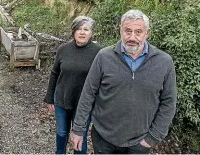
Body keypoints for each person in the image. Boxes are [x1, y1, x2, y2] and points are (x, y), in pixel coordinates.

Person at [70, 9, 177, 154]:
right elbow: (88, 94)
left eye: (138, 32)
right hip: (103, 139)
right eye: (128, 31)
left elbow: (169, 102)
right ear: (120, 29)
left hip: (140, 143)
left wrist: (153, 137)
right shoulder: (104, 57)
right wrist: (78, 129)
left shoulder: (164, 62)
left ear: (147, 33)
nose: (132, 37)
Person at [44, 16, 101, 154]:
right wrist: (49, 97)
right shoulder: (63, 49)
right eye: (79, 29)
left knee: (79, 136)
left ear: (91, 32)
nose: (82, 32)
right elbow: (55, 73)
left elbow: (101, 80)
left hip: (84, 104)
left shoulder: (99, 53)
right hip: (62, 99)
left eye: (86, 29)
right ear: (73, 32)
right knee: (62, 133)